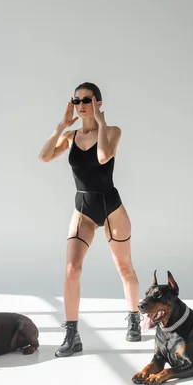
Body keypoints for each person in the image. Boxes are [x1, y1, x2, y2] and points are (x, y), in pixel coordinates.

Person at [38, 82, 142, 357]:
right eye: (77, 99)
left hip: (110, 207)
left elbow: (103, 155)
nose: (81, 104)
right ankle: (72, 334)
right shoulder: (70, 137)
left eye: (88, 99)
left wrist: (100, 124)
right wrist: (61, 126)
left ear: (98, 102)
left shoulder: (113, 131)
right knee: (72, 268)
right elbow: (44, 156)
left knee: (124, 267)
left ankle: (134, 316)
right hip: (83, 207)